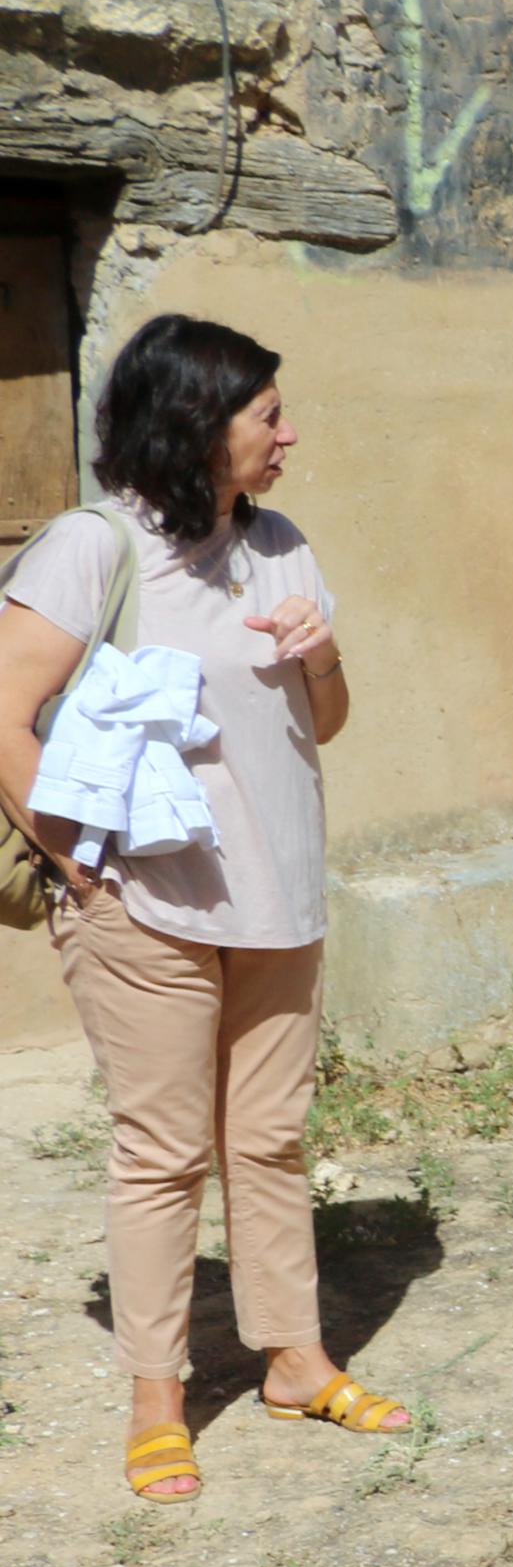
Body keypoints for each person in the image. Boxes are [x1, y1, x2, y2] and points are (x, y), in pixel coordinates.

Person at [0, 315, 410, 1501]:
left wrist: (320, 653)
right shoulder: (94, 546)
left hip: (278, 899)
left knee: (270, 1141)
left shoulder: (280, 545)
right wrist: (79, 866)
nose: (288, 434)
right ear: (195, 423)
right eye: (266, 414)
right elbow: (7, 714)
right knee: (163, 1153)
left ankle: (293, 1358)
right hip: (145, 904)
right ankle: (158, 1400)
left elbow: (320, 724)